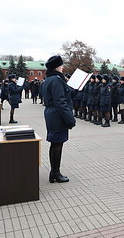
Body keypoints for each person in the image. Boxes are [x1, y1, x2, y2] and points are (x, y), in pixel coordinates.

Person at [42, 55, 76, 183]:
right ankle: (55, 173)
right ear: (57, 67)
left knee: (55, 144)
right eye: (61, 65)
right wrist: (69, 119)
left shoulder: (50, 79)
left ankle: (54, 172)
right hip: (57, 116)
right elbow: (60, 102)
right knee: (57, 145)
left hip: (52, 114)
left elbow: (63, 94)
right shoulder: (56, 80)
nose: (63, 68)